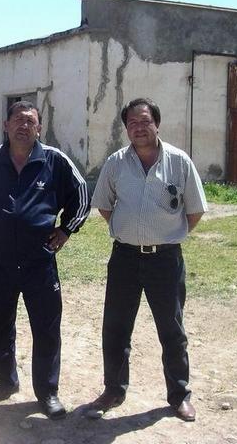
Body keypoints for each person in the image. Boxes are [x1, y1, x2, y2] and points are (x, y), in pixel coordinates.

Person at [0, 100, 90, 420]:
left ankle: (47, 392)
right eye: (18, 120)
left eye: (31, 121)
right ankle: (4, 381)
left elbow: (81, 194)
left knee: (46, 326)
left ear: (39, 127)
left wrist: (67, 230)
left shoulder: (54, 161)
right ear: (6, 125)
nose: (24, 126)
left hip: (39, 261)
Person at [88, 97, 208, 422]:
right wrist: (127, 230)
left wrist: (167, 234)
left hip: (165, 260)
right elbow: (104, 205)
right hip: (124, 258)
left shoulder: (179, 162)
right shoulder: (115, 162)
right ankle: (113, 390)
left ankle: (179, 396)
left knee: (172, 330)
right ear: (126, 127)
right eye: (132, 123)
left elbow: (194, 211)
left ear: (157, 123)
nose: (138, 128)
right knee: (115, 327)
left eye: (144, 121)